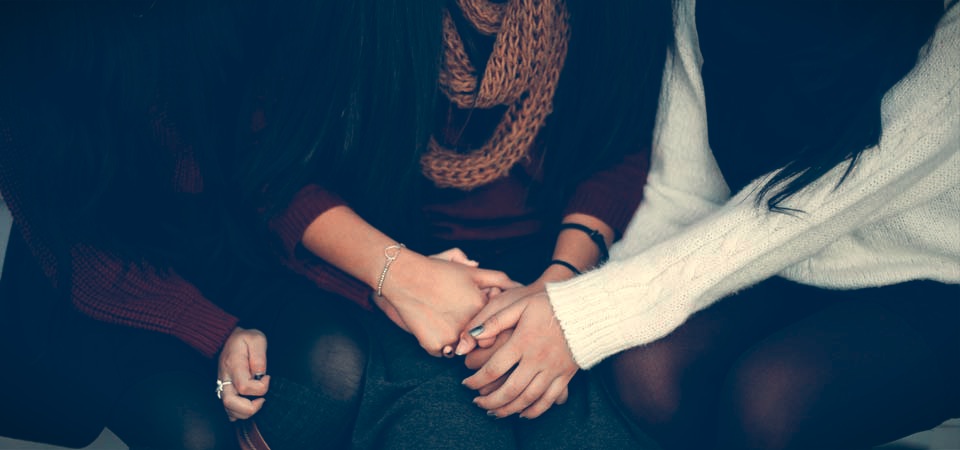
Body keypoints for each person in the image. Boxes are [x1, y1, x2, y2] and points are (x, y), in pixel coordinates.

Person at [456, 1, 960, 449]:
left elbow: (815, 206)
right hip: (778, 260)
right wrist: (560, 300)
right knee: (644, 372)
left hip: (933, 276)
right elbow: (682, 190)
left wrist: (582, 318)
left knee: (769, 400)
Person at [229, 0, 671, 447]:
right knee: (442, 430)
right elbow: (271, 163)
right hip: (384, 257)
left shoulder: (617, 13)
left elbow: (622, 145)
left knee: (587, 433)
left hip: (557, 261)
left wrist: (560, 291)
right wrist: (404, 277)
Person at [0, 2, 373, 448]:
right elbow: (72, 242)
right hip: (97, 278)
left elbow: (267, 170)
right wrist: (216, 334)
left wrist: (379, 277)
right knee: (192, 433)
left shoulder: (230, 19)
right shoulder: (27, 33)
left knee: (336, 359)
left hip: (219, 244)